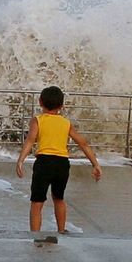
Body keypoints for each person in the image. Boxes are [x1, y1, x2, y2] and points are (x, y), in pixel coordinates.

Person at [15, 86, 102, 233]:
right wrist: (95, 164)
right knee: (59, 198)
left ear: (40, 102)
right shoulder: (66, 123)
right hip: (62, 164)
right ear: (62, 106)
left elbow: (30, 141)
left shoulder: (37, 120)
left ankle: (36, 233)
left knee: (37, 202)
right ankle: (61, 229)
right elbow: (83, 143)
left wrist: (20, 160)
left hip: (44, 163)